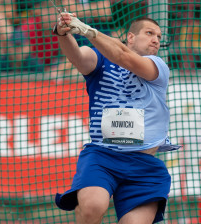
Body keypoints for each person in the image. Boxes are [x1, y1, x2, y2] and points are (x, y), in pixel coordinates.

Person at [54, 12, 181, 224]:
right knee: (92, 207)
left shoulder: (158, 66)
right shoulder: (99, 59)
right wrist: (63, 33)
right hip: (103, 156)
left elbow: (122, 56)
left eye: (159, 37)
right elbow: (77, 56)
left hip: (145, 165)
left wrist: (87, 30)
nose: (156, 40)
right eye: (149, 33)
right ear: (130, 37)